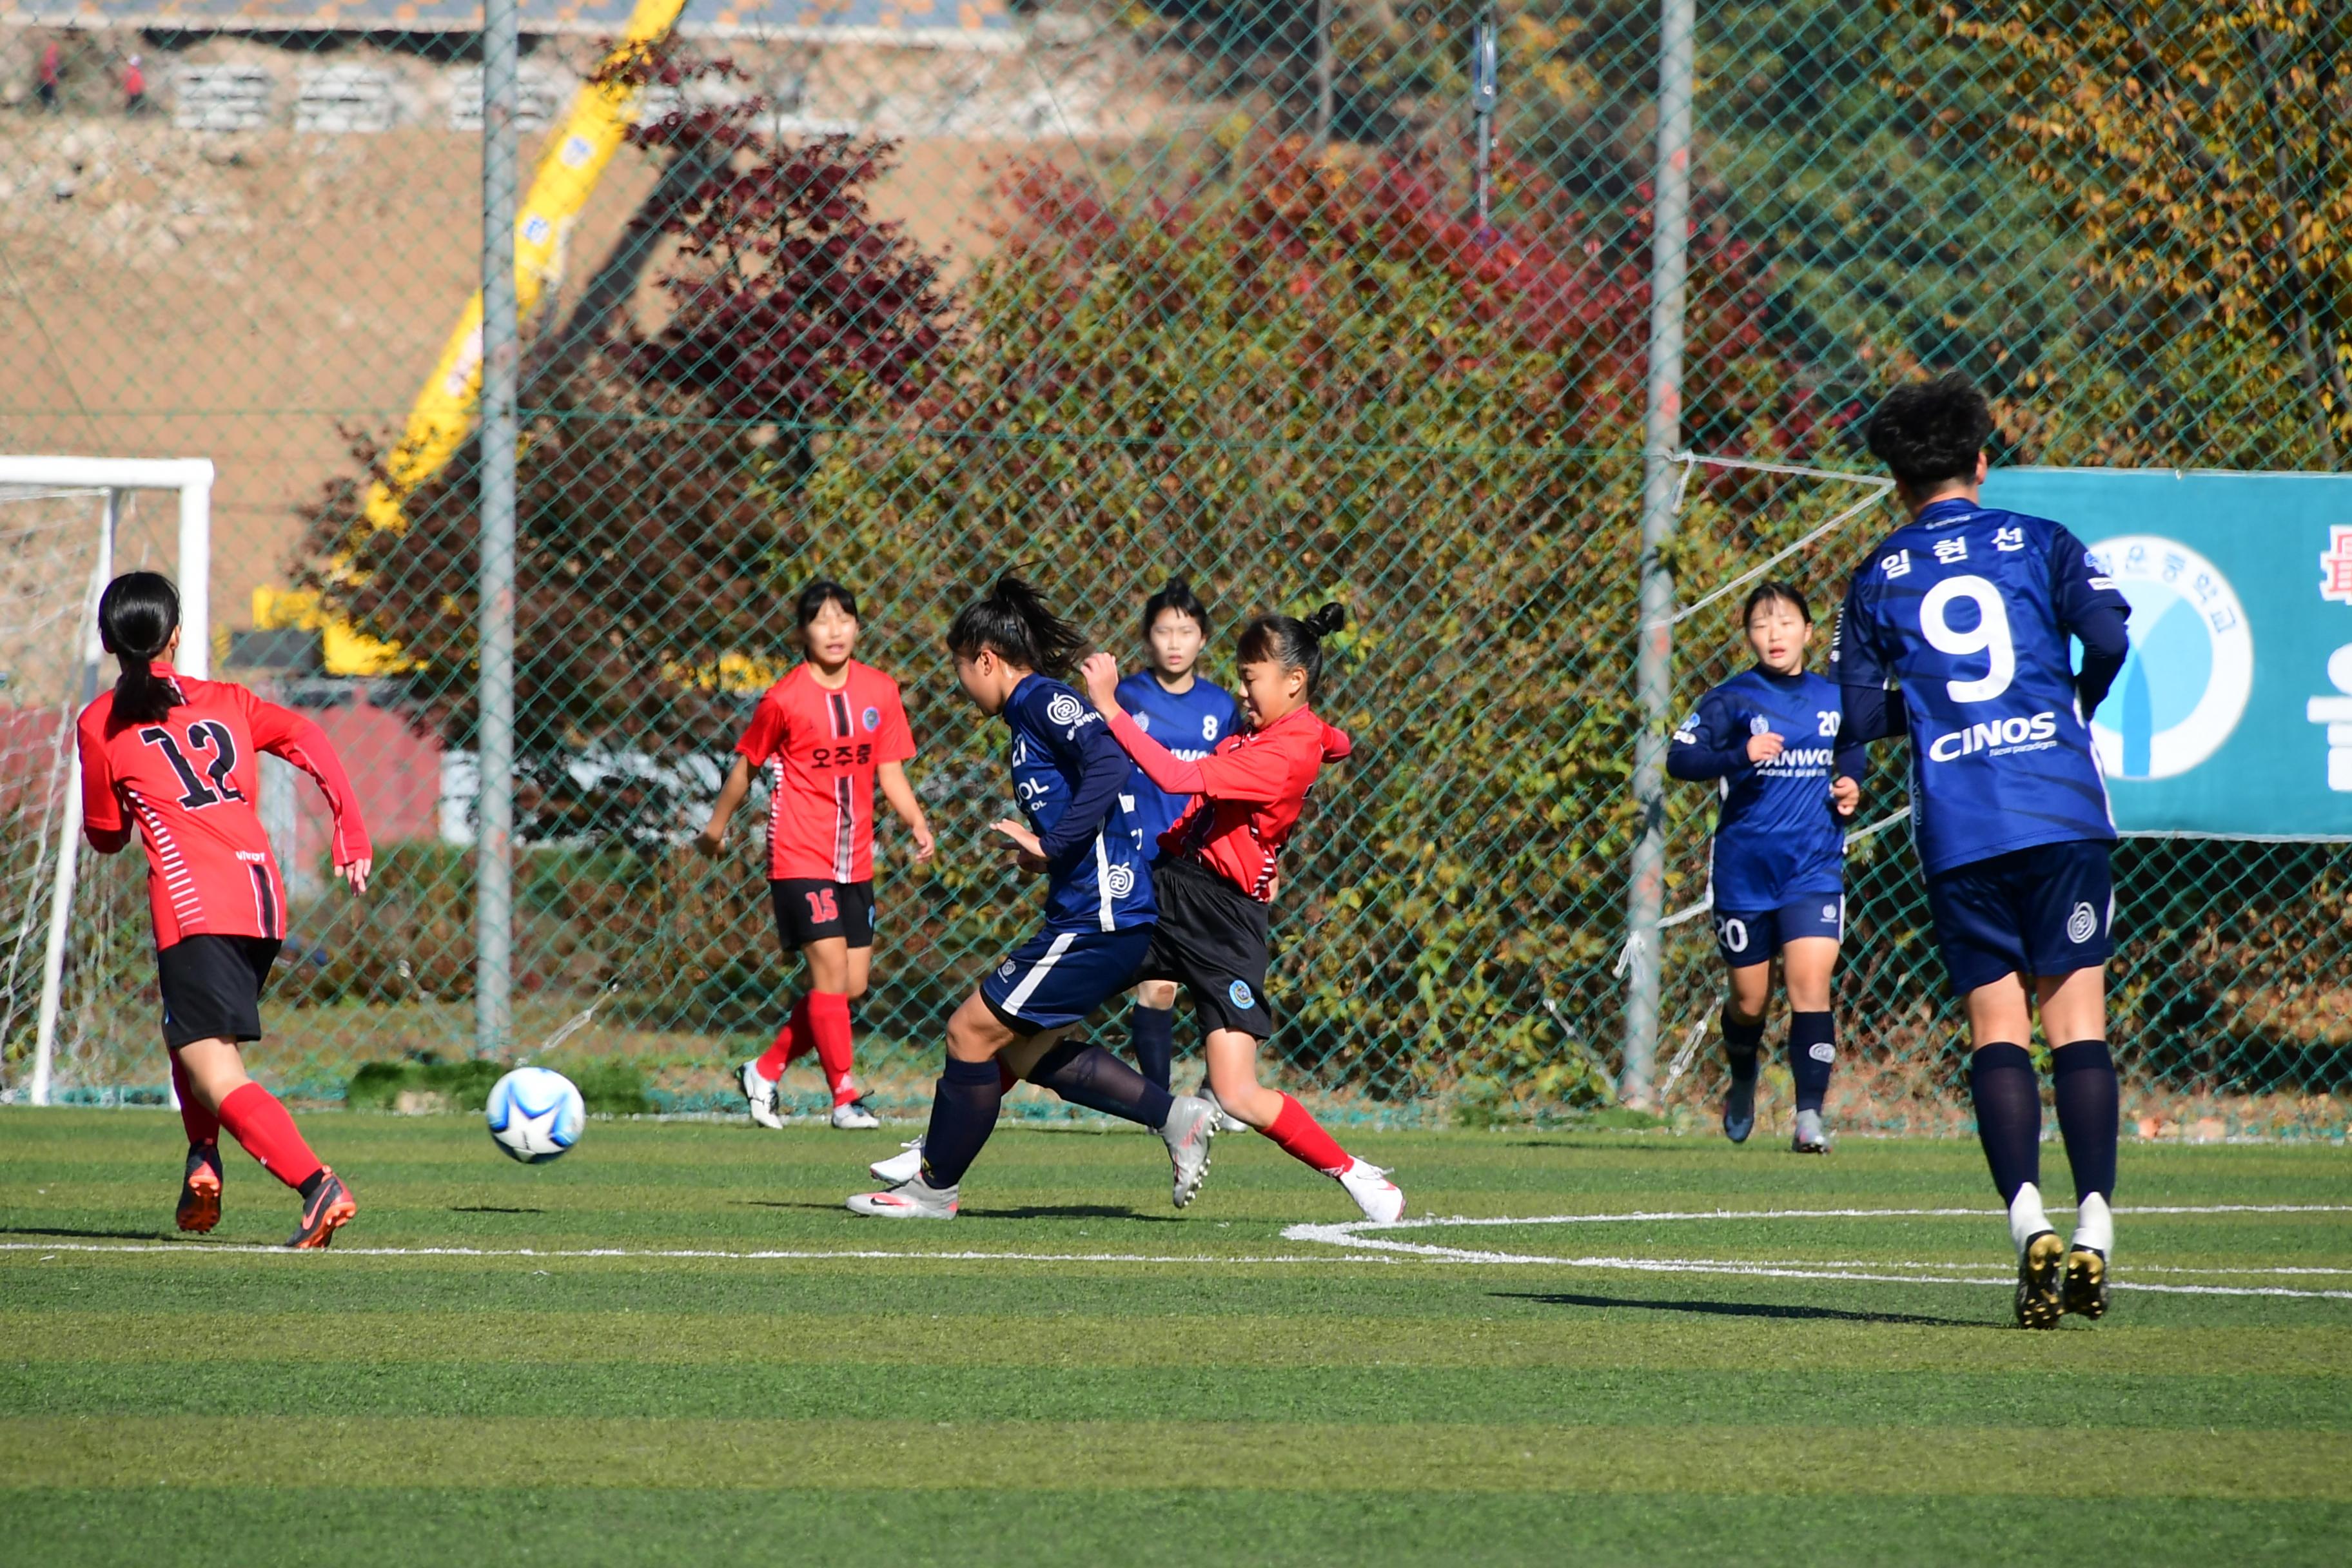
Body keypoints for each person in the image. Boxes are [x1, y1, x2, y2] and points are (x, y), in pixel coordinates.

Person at [1833, 373, 2132, 1329]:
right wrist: (2072, 703)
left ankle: (2025, 1220)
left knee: (1995, 1028)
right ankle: (2094, 1228)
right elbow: (2109, 635)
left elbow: (1855, 709)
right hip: (2060, 811)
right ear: (1981, 462)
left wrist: (1926, 713)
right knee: (2076, 1022)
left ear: (1896, 483)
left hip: (1962, 829)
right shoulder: (2041, 541)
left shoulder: (1877, 573)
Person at [847, 574, 1218, 1219]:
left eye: (962, 668)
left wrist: (1053, 845)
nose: (963, 684)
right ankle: (1175, 1115)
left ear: (985, 659)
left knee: (968, 1030)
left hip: (1103, 913)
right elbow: (1086, 804)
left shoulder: (1043, 700)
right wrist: (1044, 852)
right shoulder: (1027, 712)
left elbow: (1110, 762)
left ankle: (933, 1187)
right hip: (1095, 909)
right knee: (1029, 1051)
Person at [74, 572, 373, 1248]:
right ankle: (202, 1157)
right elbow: (308, 738)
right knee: (187, 1032)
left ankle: (315, 1183)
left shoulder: (101, 721)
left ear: (107, 641)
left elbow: (104, 835)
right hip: (264, 900)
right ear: (176, 635)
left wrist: (130, 806)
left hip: (195, 903)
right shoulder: (231, 700)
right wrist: (349, 826)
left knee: (213, 1065)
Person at [1081, 603, 1406, 1222]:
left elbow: (1176, 776)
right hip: (1167, 891)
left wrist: (1111, 706)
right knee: (1048, 1003)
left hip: (1225, 923)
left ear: (1294, 682)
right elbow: (1341, 741)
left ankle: (1358, 1175)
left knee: (1236, 1091)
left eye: (1250, 676)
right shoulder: (1292, 732)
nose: (1239, 687)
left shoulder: (1280, 753)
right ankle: (942, 1151)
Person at [698, 580, 934, 1131]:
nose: (834, 630)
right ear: (803, 631)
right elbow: (746, 767)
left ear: (857, 627)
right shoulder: (783, 698)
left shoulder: (879, 691)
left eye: (844, 618)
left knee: (849, 987)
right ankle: (845, 1097)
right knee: (828, 971)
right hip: (799, 854)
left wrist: (916, 820)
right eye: (821, 620)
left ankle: (765, 1068)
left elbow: (890, 769)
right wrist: (715, 829)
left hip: (856, 859)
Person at [1668, 582, 1866, 1153]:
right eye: (1760, 624)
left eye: (1785, 623)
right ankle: (1744, 1073)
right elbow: (1680, 758)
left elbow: (1851, 750)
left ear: (1809, 631)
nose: (1773, 634)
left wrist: (1853, 786)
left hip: (1813, 868)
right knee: (1751, 1000)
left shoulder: (1835, 699)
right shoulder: (1732, 699)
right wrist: (1738, 755)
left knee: (1810, 986)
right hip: (1745, 871)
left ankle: (1809, 1117)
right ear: (1749, 635)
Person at [1113, 580, 1242, 1097]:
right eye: (1164, 630)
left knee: (1216, 977)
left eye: (1185, 631)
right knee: (1159, 983)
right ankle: (1159, 1102)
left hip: (1203, 863)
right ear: (1147, 638)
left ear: (1203, 639)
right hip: (1143, 858)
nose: (1174, 641)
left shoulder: (1222, 705)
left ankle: (1222, 1090)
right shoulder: (1127, 696)